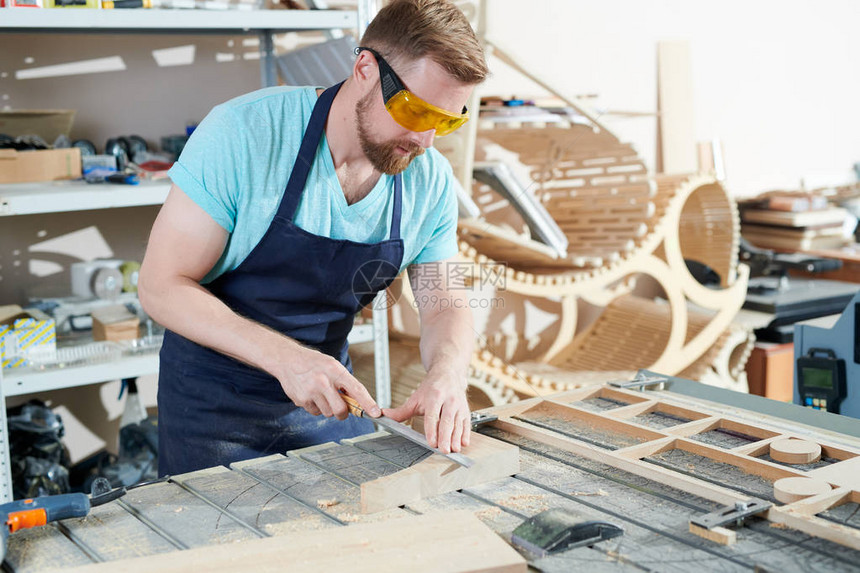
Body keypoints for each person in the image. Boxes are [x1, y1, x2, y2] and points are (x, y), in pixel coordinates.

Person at [138, 0, 489, 476]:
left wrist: (448, 373)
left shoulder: (429, 181)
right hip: (213, 415)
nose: (426, 140)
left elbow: (444, 302)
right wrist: (286, 359)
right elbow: (160, 286)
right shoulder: (245, 134)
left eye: (447, 121)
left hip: (327, 409)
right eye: (414, 110)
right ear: (365, 67)